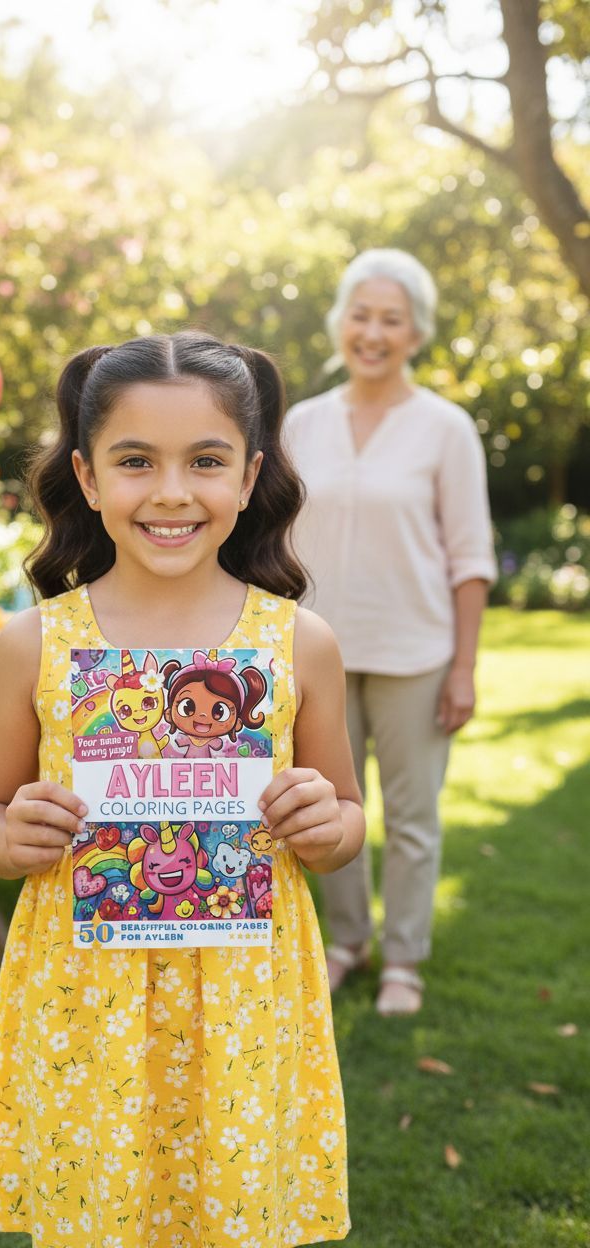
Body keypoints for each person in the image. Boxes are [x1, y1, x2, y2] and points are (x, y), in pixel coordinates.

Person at [0, 331, 365, 1246]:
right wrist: (7, 833)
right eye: (136, 461)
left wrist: (324, 823)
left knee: (233, 1207)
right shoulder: (38, 644)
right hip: (84, 995)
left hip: (244, 1001)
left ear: (251, 475)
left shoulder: (300, 644)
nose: (173, 491)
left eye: (207, 461)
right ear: (90, 477)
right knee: (99, 1208)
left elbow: (345, 820)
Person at [283, 249, 497, 1017]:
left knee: (411, 816)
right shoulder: (302, 421)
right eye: (360, 315)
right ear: (341, 323)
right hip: (319, 656)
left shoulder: (445, 428)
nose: (372, 332)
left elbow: (470, 557)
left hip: (416, 652)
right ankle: (347, 942)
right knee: (329, 807)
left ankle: (404, 955)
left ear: (415, 333)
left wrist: (464, 667)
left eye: (391, 319)